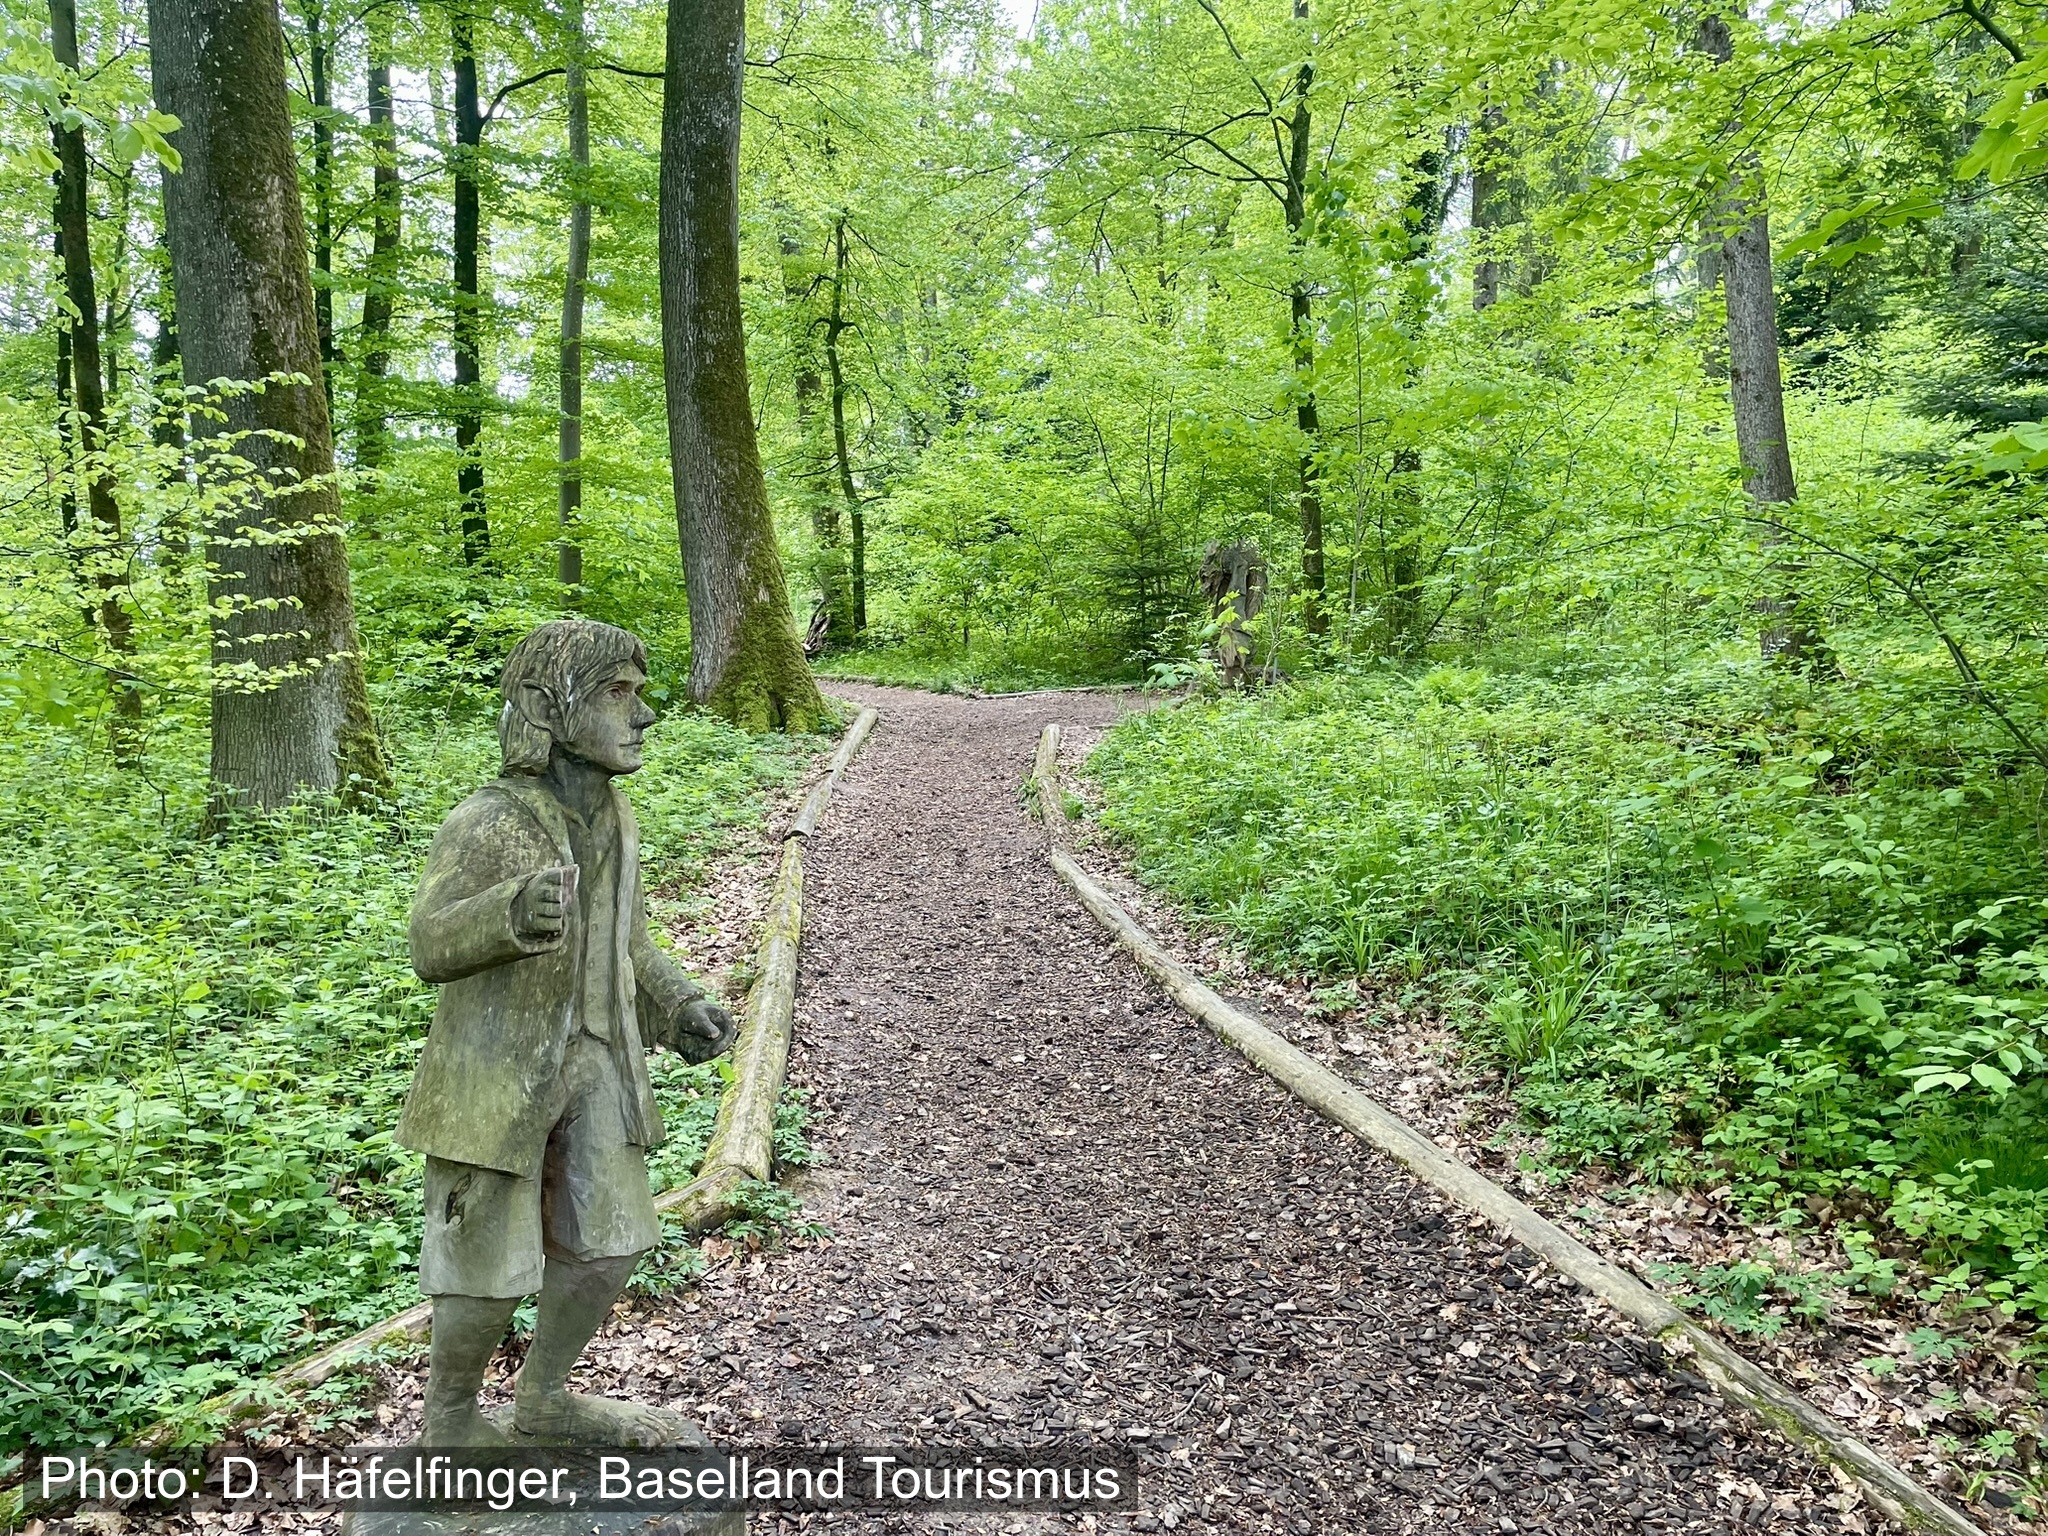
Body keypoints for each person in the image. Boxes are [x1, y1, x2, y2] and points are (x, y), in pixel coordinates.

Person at [397, 620, 736, 1446]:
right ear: (549, 707)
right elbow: (429, 941)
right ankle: (450, 1422)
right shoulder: (488, 821)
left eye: (638, 693)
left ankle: (545, 1399)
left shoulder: (617, 818)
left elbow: (628, 942)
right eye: (619, 693)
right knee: (484, 1258)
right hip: (496, 1075)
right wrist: (507, 914)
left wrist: (677, 1004)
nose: (644, 714)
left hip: (597, 1060)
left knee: (612, 1241)